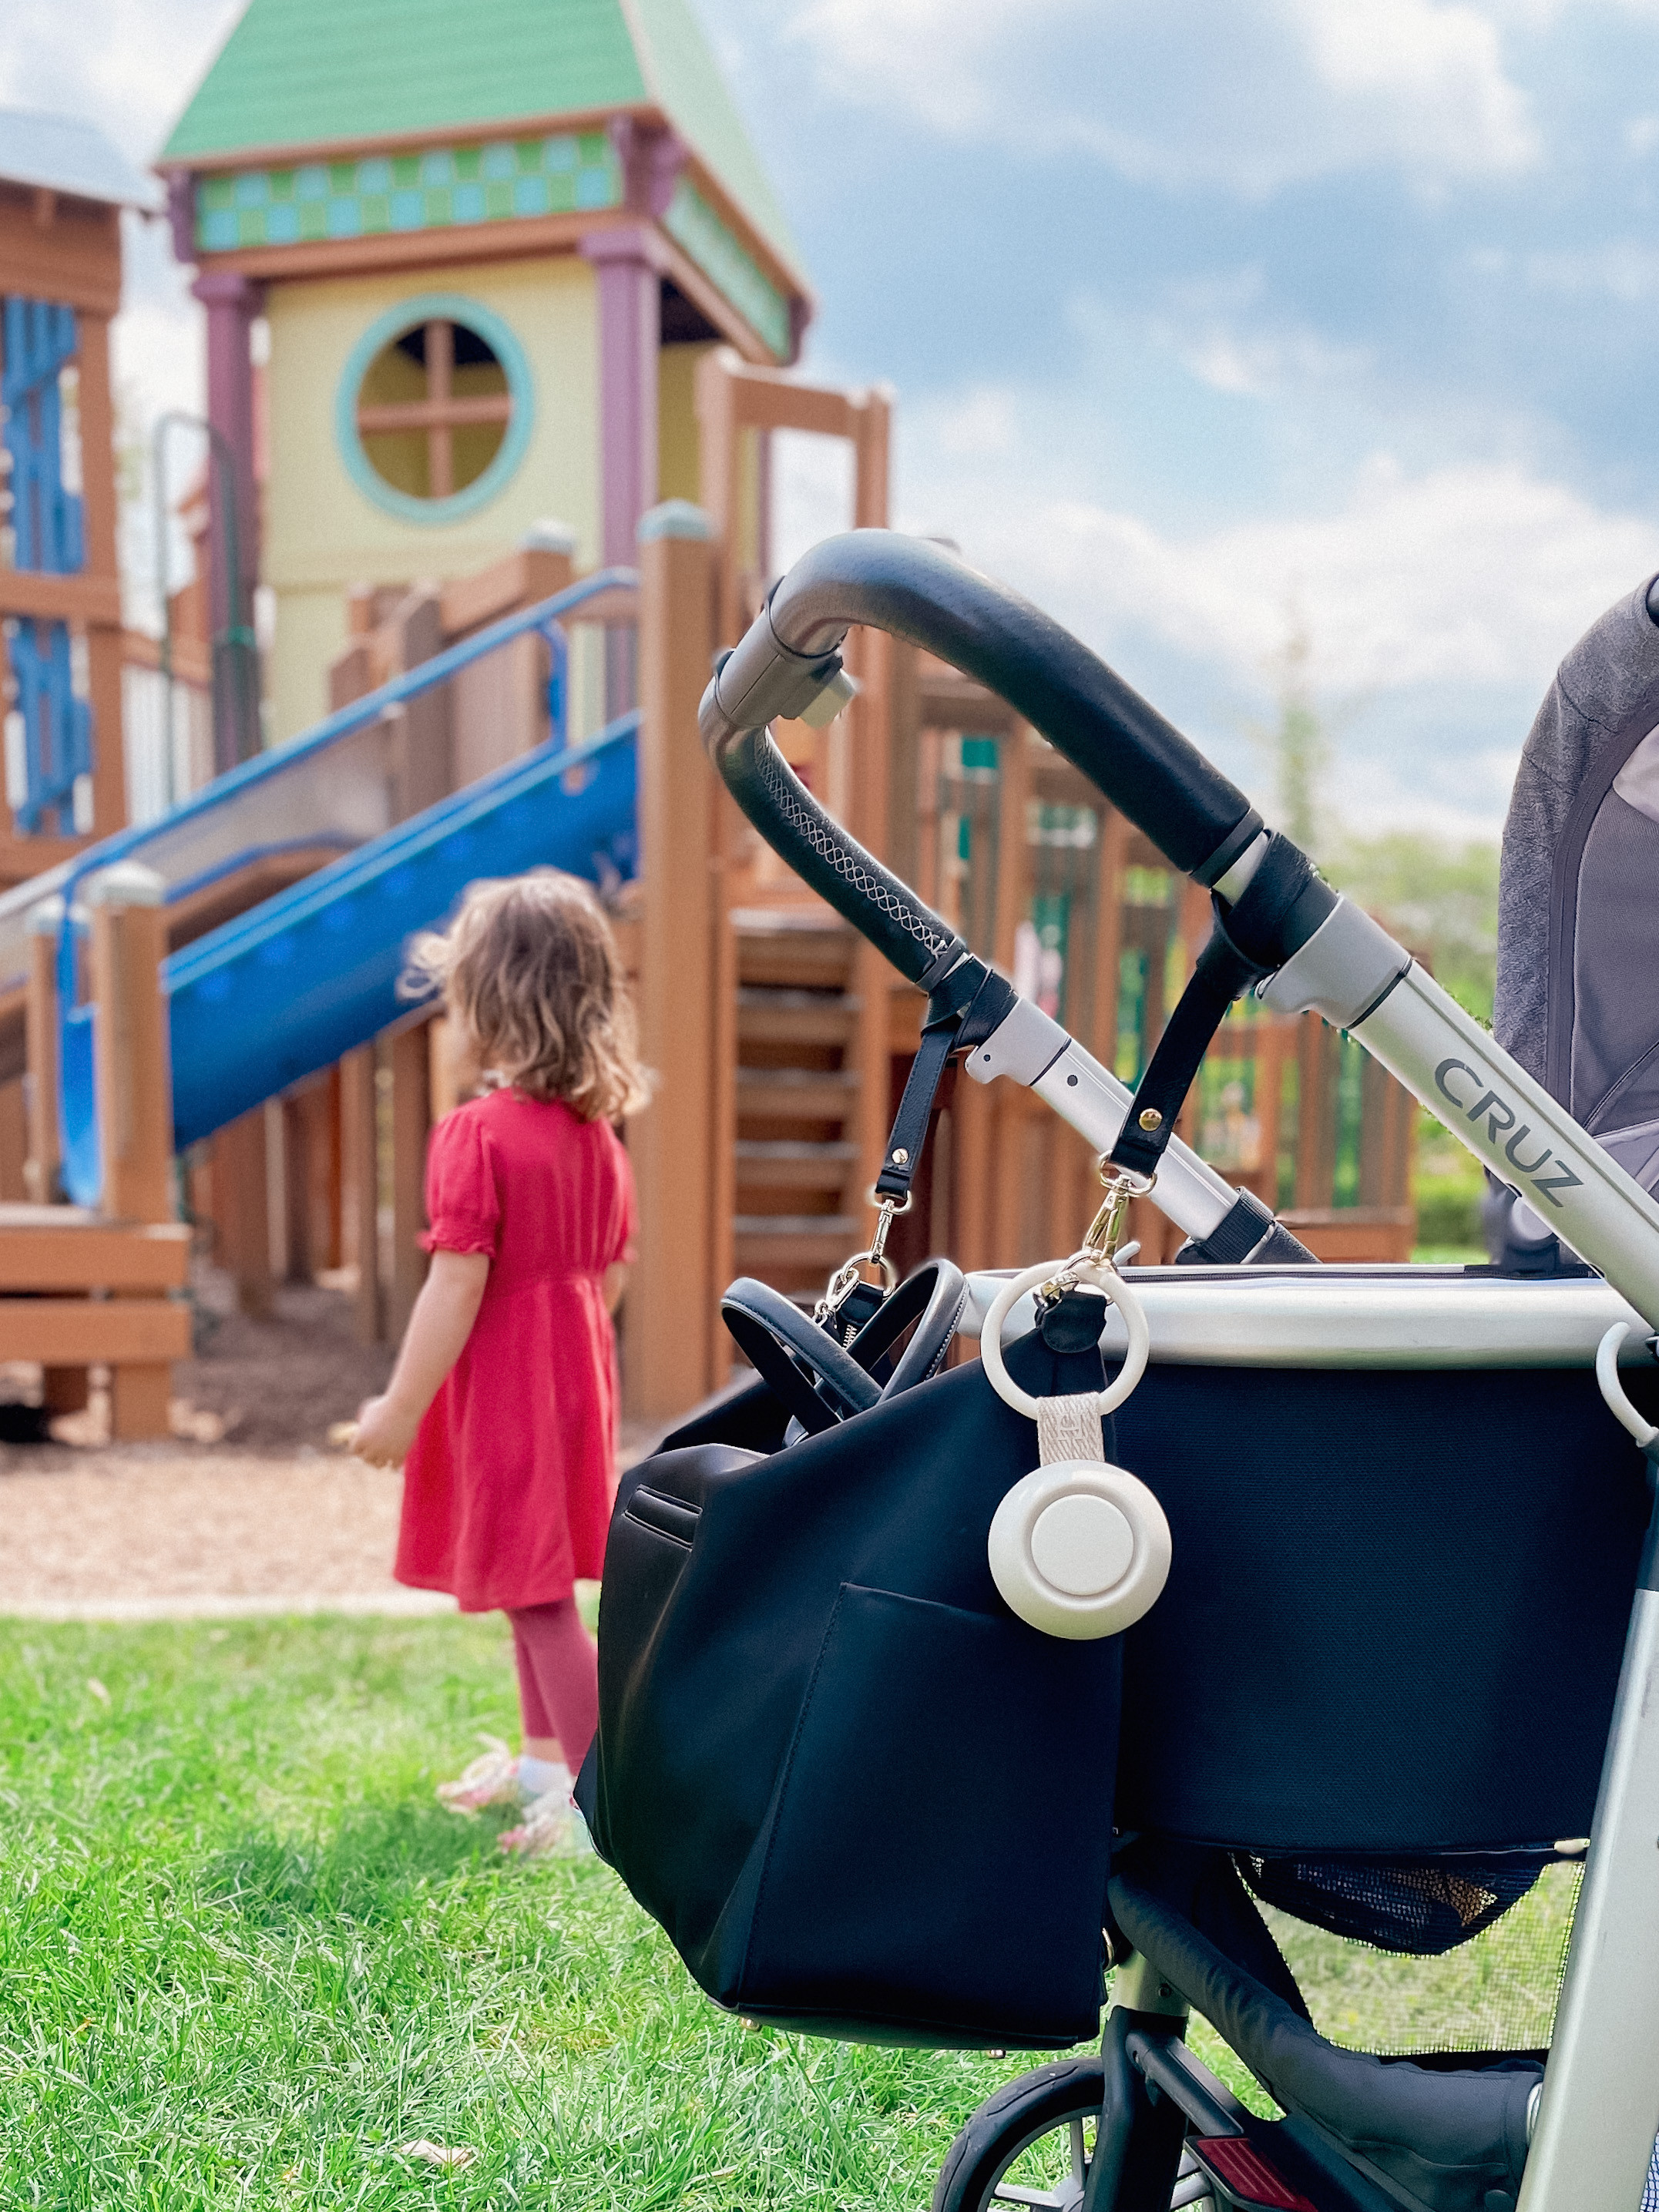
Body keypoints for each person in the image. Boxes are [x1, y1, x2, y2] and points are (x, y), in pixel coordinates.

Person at [352, 870, 646, 1855]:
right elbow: (609, 1273)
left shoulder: (475, 1135)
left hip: (514, 1393)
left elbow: (455, 1284)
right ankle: (541, 1766)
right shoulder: (597, 1136)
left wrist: (400, 1406)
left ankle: (601, 1809)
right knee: (543, 1578)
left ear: (487, 1001)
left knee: (534, 1594)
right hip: (574, 1385)